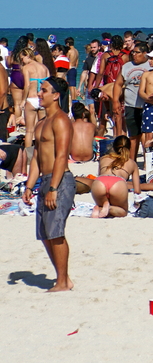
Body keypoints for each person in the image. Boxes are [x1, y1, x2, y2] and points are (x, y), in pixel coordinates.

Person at [22, 77, 75, 291]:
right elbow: (36, 158)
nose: (39, 94)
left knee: (56, 232)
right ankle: (62, 278)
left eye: (44, 90)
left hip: (59, 180)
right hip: (44, 180)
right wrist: (28, 185)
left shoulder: (61, 120)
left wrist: (53, 187)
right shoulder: (41, 123)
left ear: (56, 95)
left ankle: (62, 281)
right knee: (45, 234)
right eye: (39, 90)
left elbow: (62, 156)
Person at [91, 135, 141, 218]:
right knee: (123, 211)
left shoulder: (103, 158)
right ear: (129, 148)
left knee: (102, 204)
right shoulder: (132, 163)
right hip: (118, 183)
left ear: (114, 146)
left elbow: (100, 174)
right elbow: (137, 190)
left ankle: (100, 208)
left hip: (100, 182)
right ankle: (109, 208)